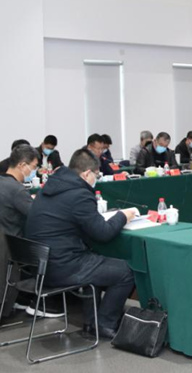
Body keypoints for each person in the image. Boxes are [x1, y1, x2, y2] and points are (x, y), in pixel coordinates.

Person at [25, 149, 137, 339]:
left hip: (41, 264)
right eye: (96, 175)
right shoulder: (79, 194)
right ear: (86, 174)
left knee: (96, 262)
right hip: (61, 266)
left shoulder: (51, 186)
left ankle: (91, 322)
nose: (96, 179)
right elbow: (103, 233)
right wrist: (122, 216)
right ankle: (105, 324)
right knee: (126, 271)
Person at [0, 145, 38, 320]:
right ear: (22, 165)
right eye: (34, 166)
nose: (34, 171)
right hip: (11, 245)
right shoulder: (17, 190)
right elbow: (35, 215)